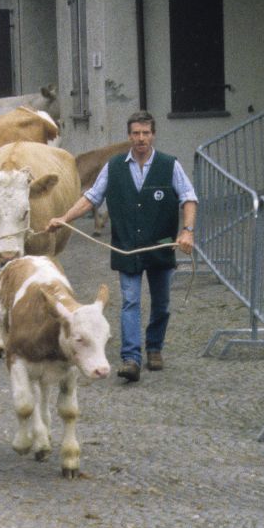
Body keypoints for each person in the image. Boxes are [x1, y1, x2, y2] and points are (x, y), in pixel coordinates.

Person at [46, 111, 197, 382]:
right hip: (126, 247)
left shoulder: (169, 165)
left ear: (153, 135)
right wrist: (64, 218)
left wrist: (187, 231)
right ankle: (131, 358)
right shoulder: (114, 166)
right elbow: (92, 197)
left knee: (161, 303)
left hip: (160, 246)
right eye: (136, 133)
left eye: (146, 133)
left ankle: (154, 347)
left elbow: (189, 198)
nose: (141, 138)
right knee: (130, 302)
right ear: (129, 136)